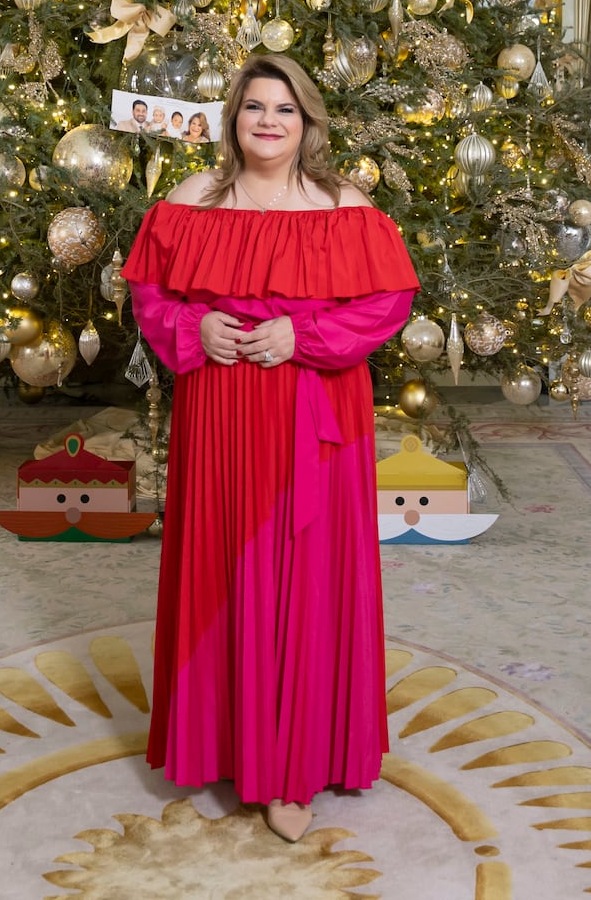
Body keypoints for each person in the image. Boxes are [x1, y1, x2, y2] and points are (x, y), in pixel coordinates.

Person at [120, 52, 417, 841]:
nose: (268, 121)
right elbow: (148, 289)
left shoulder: (341, 203)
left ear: (307, 121)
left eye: (284, 109)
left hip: (315, 406)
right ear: (234, 118)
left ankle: (291, 771)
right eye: (254, 107)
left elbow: (391, 299)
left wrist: (305, 332)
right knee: (225, 565)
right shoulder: (193, 199)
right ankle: (225, 741)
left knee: (308, 576)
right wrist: (194, 327)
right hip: (221, 403)